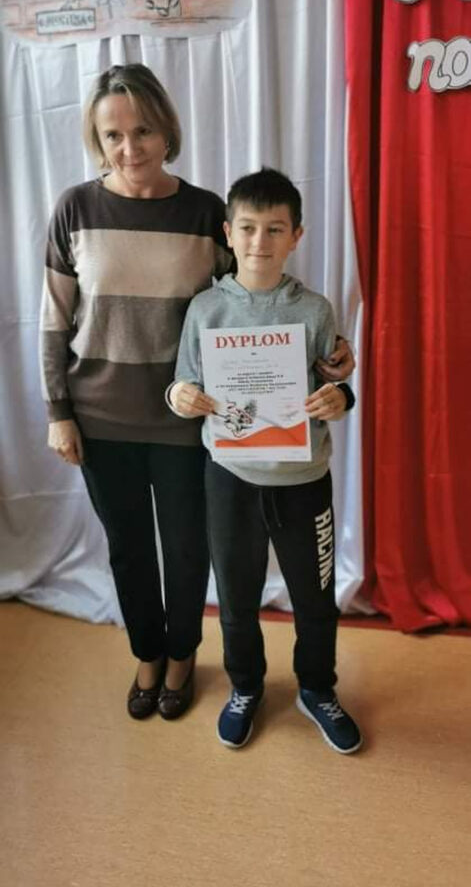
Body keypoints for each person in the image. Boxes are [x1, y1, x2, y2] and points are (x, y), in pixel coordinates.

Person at [40, 65, 354, 723]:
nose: (130, 147)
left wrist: (331, 365)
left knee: (188, 551)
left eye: (143, 130)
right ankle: (148, 655)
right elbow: (53, 320)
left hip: (192, 426)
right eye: (113, 135)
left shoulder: (207, 211)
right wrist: (58, 412)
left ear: (166, 130)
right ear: (97, 139)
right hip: (100, 418)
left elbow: (254, 306)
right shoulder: (74, 208)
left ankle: (183, 654)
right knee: (127, 549)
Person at [167, 167, 362, 753]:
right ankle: (245, 686)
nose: (260, 241)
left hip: (304, 479)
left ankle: (317, 688)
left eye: (275, 229)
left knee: (314, 598)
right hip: (229, 478)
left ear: (296, 236)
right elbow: (183, 382)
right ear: (228, 233)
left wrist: (340, 398)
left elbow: (335, 382)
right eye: (248, 228)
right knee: (235, 597)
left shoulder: (315, 310)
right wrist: (180, 397)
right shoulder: (205, 309)